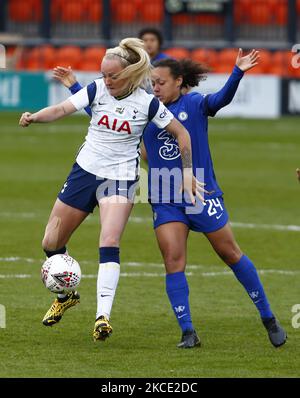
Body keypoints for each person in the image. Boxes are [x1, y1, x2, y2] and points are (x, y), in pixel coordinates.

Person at [52, 49, 287, 350]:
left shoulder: (195, 104)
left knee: (230, 254)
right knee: (173, 261)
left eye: (162, 82)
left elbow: (221, 99)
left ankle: (268, 318)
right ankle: (188, 332)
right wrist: (74, 86)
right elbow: (101, 114)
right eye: (153, 83)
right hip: (163, 194)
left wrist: (238, 71)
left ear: (179, 82)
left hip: (201, 192)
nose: (156, 87)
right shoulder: (146, 108)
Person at [19, 38, 204, 343]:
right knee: (51, 242)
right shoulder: (96, 89)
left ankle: (102, 317)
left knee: (109, 240)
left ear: (130, 74)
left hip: (119, 178)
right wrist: (34, 117)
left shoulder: (148, 103)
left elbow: (182, 133)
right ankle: (66, 295)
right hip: (85, 171)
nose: (107, 81)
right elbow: (63, 109)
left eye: (113, 76)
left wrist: (186, 172)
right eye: (103, 74)